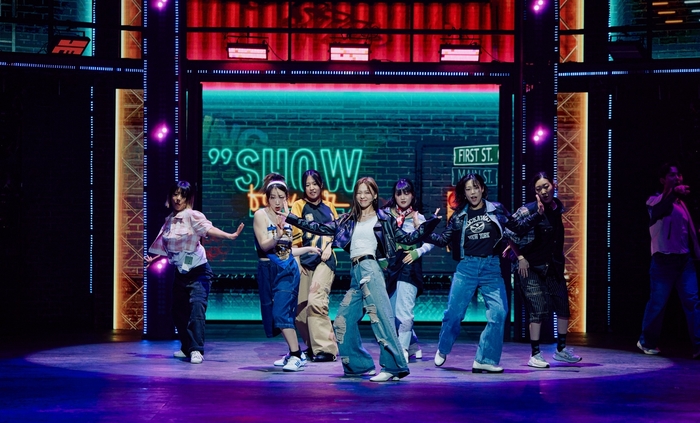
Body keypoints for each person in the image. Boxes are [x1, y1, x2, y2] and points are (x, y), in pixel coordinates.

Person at [281, 176, 441, 382]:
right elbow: (320, 228)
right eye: (359, 192)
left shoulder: (384, 219)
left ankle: (393, 367)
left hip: (370, 270)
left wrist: (430, 224)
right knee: (342, 321)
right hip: (355, 273)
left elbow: (408, 238)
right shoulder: (348, 220)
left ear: (374, 195)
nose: (363, 196)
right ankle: (358, 365)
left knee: (380, 319)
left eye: (367, 192)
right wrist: (291, 218)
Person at [429, 173, 543, 373]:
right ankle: (444, 347)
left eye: (476, 187)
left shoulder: (496, 209)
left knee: (499, 312)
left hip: (491, 267)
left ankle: (485, 359)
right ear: (464, 193)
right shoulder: (458, 216)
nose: (472, 192)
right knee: (454, 314)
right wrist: (424, 230)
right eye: (468, 189)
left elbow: (517, 228)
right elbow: (442, 240)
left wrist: (538, 215)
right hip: (467, 267)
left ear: (482, 188)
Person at [146, 181, 244, 364]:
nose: (178, 199)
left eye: (182, 195)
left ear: (188, 198)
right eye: (175, 194)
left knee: (196, 309)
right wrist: (155, 259)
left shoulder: (192, 216)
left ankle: (196, 349)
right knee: (178, 312)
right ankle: (186, 347)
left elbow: (208, 229)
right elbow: (172, 247)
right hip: (181, 273)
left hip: (199, 272)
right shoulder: (169, 221)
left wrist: (229, 235)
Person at [507, 171, 582, 368]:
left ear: (553, 185)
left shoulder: (557, 207)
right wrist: (520, 257)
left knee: (563, 307)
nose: (543, 191)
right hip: (531, 266)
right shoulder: (528, 209)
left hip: (553, 265)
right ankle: (535, 354)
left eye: (546, 186)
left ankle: (561, 350)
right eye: (539, 188)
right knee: (538, 309)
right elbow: (509, 231)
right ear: (535, 191)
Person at [253, 173, 321, 372]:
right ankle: (294, 353)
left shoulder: (288, 218)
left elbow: (287, 251)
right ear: (267, 198)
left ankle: (296, 354)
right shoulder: (260, 215)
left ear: (287, 198)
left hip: (287, 270)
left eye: (281, 197)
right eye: (273, 197)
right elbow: (264, 245)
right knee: (274, 316)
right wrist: (278, 235)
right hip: (267, 270)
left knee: (281, 312)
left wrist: (308, 249)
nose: (277, 201)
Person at [637, 163, 700, 359]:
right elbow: (659, 211)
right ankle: (646, 342)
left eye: (678, 174)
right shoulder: (654, 200)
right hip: (663, 260)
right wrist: (673, 193)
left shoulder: (682, 204)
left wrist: (696, 250)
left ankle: (699, 346)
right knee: (658, 304)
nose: (677, 178)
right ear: (663, 179)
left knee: (693, 302)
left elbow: (689, 230)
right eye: (672, 175)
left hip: (684, 260)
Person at [291, 169, 340, 363]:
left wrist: (329, 247)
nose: (311, 188)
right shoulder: (298, 206)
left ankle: (326, 349)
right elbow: (294, 235)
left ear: (321, 185)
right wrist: (297, 261)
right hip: (304, 261)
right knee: (300, 312)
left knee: (316, 301)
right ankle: (313, 346)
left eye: (314, 184)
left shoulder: (329, 207)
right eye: (307, 184)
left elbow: (337, 232)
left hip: (325, 260)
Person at [383, 178, 434, 361]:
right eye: (399, 193)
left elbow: (430, 241)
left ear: (412, 195)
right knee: (391, 311)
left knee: (403, 310)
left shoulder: (418, 218)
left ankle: (402, 350)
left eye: (407, 193)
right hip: (392, 267)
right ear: (394, 196)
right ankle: (412, 345)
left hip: (410, 266)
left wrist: (417, 252)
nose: (403, 197)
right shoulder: (387, 216)